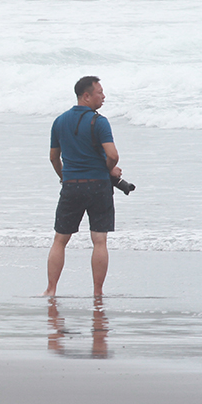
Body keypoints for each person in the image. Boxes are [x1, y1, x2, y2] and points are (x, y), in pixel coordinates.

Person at [43, 76, 123, 299]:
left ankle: (51, 290)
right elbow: (113, 155)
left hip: (71, 187)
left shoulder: (59, 121)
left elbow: (53, 157)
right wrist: (108, 170)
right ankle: (97, 292)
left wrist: (64, 177)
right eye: (99, 92)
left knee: (60, 240)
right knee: (99, 240)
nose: (103, 96)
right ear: (86, 96)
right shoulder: (100, 122)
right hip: (98, 186)